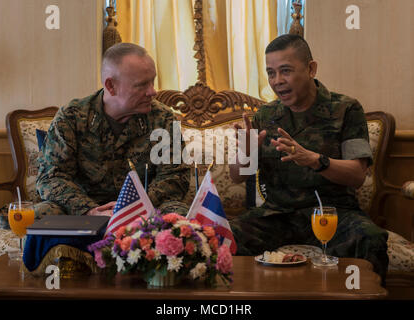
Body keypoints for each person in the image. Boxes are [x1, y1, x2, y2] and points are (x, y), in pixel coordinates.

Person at [229, 34, 389, 282]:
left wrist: (315, 160)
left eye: (286, 71)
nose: (277, 81)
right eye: (271, 73)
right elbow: (238, 177)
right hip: (277, 215)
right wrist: (245, 154)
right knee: (224, 235)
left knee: (370, 238)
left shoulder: (347, 109)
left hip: (332, 214)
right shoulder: (266, 115)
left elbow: (357, 176)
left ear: (311, 68)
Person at [34, 43, 190, 218]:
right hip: (85, 211)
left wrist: (132, 205)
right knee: (44, 213)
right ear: (111, 86)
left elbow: (176, 176)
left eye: (152, 82)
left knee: (178, 214)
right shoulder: (71, 117)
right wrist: (90, 210)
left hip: (144, 209)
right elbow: (52, 177)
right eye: (142, 85)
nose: (152, 92)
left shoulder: (162, 118)